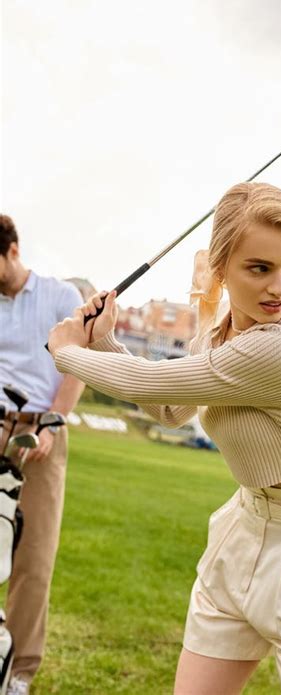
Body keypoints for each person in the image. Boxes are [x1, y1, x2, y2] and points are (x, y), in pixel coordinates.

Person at [47, 182, 281, 694]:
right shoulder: (228, 331)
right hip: (245, 534)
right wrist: (105, 340)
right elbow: (170, 408)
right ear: (223, 267)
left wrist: (66, 350)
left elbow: (147, 383)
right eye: (260, 268)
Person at [0, 214, 85, 695]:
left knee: (32, 557)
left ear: (12, 250)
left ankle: (19, 672)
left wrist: (54, 419)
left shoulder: (59, 297)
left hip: (40, 431)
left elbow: (76, 367)